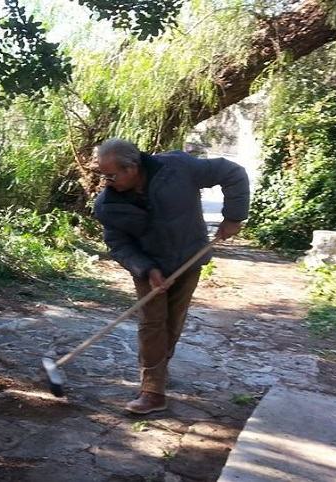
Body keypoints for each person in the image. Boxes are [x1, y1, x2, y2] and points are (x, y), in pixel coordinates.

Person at [93, 139, 249, 414]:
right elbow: (119, 245)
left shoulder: (177, 168)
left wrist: (233, 217)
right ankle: (152, 391)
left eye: (111, 175)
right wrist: (147, 269)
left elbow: (232, 173)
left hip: (188, 257)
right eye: (103, 176)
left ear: (132, 168)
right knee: (153, 322)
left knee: (173, 322)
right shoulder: (108, 205)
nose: (107, 182)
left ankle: (158, 372)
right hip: (148, 264)